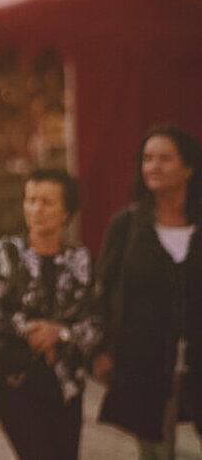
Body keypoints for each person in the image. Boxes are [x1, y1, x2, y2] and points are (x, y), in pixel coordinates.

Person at [0, 168, 101, 460]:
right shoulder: (6, 253)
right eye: (31, 200)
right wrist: (26, 328)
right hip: (16, 380)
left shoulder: (80, 260)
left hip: (66, 383)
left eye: (47, 202)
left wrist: (60, 332)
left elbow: (95, 323)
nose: (36, 210)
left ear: (66, 212)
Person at [94, 125, 202, 457]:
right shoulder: (126, 226)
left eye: (165, 159)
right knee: (155, 451)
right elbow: (105, 292)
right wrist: (101, 351)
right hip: (145, 361)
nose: (153, 166)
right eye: (147, 158)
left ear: (188, 168)